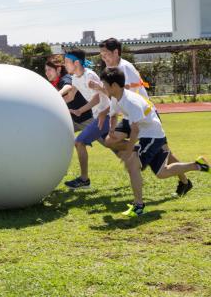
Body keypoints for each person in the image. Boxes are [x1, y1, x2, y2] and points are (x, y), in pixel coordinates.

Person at [100, 67, 208, 216]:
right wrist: (113, 130)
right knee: (162, 173)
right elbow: (114, 115)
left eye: (104, 84)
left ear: (114, 86)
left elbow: (136, 130)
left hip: (152, 135)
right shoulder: (115, 97)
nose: (102, 87)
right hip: (150, 134)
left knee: (133, 165)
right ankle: (198, 165)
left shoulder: (130, 102)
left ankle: (138, 206)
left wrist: (128, 151)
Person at [95, 37, 191, 196]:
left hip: (146, 115)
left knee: (166, 152)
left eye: (106, 54)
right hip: (129, 116)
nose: (103, 58)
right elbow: (116, 98)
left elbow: (117, 92)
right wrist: (106, 111)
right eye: (101, 55)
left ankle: (184, 181)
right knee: (110, 140)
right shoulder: (112, 69)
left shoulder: (123, 67)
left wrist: (98, 88)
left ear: (116, 52)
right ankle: (138, 150)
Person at [63, 49, 112, 190]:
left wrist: (80, 110)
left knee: (79, 142)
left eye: (67, 62)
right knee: (114, 146)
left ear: (76, 62)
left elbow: (96, 98)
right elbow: (70, 97)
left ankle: (84, 180)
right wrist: (53, 101)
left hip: (106, 115)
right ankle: (140, 151)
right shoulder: (75, 78)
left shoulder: (89, 75)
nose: (65, 65)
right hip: (98, 117)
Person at [44, 55, 93, 132]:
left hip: (86, 118)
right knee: (55, 133)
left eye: (49, 70)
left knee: (109, 142)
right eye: (46, 70)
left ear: (58, 69)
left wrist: (57, 95)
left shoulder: (65, 78)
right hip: (72, 120)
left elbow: (68, 86)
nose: (46, 73)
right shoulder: (54, 83)